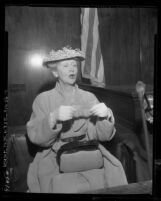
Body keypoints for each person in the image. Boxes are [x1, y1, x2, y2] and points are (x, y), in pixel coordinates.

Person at [26, 46, 128, 193]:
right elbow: (36, 137)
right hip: (54, 157)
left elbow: (103, 136)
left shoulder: (89, 97)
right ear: (55, 72)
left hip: (88, 153)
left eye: (74, 65)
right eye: (66, 65)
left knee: (111, 181)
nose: (72, 69)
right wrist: (53, 117)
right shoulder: (43, 99)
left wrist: (105, 116)